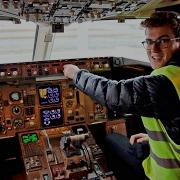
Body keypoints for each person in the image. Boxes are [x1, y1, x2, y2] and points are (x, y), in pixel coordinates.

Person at [63, 11, 180, 180]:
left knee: (110, 140)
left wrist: (76, 74)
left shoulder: (166, 79)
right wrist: (153, 138)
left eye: (163, 41)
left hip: (167, 175)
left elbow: (115, 95)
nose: (153, 49)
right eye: (149, 41)